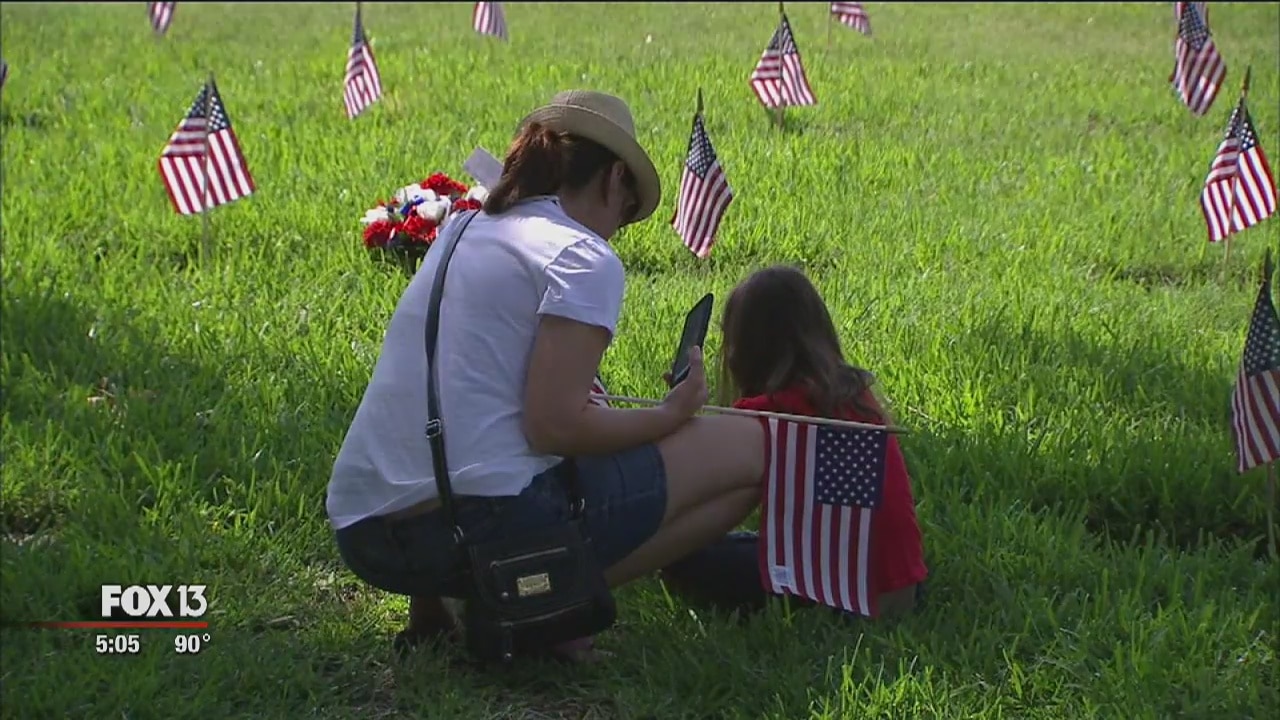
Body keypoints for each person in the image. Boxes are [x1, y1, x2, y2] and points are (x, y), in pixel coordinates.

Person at [325, 90, 766, 663]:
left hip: (366, 531)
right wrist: (670, 415)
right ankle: (547, 612)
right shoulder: (582, 255)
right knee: (754, 450)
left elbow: (449, 389)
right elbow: (553, 428)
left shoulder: (460, 231)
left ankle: (439, 610)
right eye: (626, 215)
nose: (617, 231)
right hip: (479, 524)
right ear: (613, 181)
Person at [660, 265, 928, 618]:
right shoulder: (854, 395)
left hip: (836, 594)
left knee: (682, 556)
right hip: (901, 584)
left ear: (745, 348)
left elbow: (681, 476)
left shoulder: (769, 416)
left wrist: (671, 415)